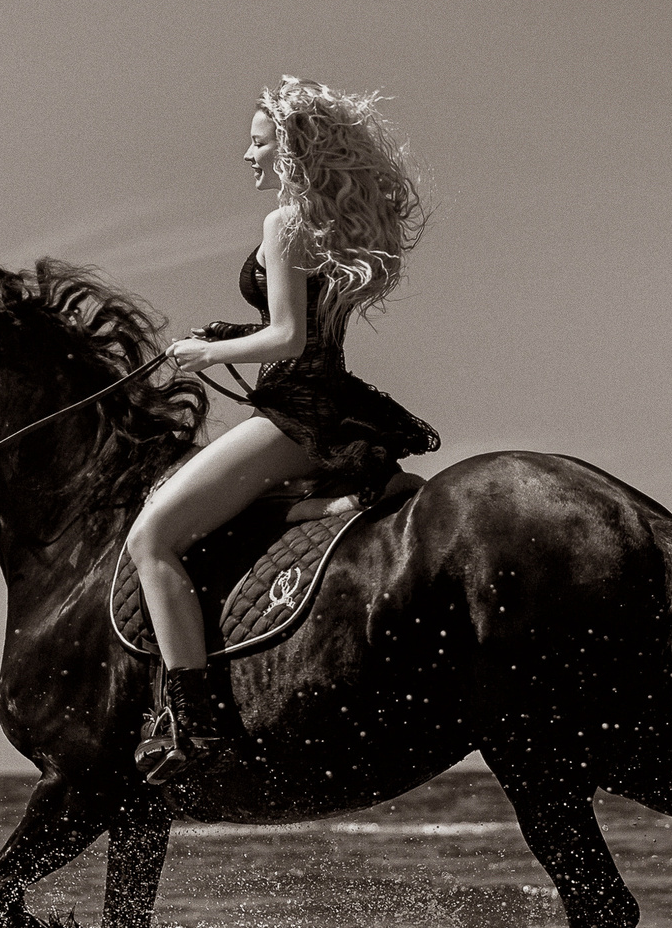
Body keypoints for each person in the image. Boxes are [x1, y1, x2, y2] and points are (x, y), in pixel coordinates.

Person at [126, 77, 439, 788]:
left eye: (259, 142)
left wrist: (208, 355)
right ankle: (341, 506)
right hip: (326, 400)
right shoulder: (326, 225)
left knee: (153, 538)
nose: (246, 155)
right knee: (239, 517)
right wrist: (236, 335)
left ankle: (192, 724)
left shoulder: (286, 224)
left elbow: (291, 339)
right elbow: (300, 331)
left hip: (294, 413)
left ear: (291, 151)